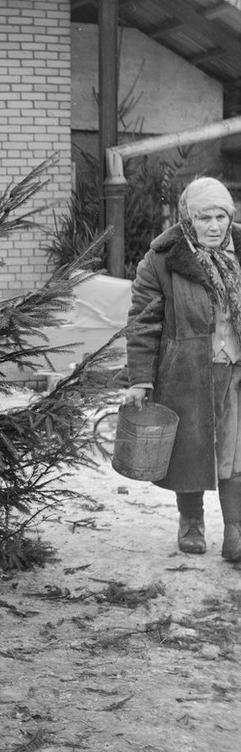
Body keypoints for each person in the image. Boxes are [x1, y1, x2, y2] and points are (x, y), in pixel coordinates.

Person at [123, 176, 241, 564]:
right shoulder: (163, 258)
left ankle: (236, 532)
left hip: (236, 374)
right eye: (204, 217)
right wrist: (140, 378)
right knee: (191, 453)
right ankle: (191, 522)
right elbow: (142, 322)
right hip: (187, 373)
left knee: (235, 454)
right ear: (188, 219)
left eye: (221, 216)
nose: (214, 226)